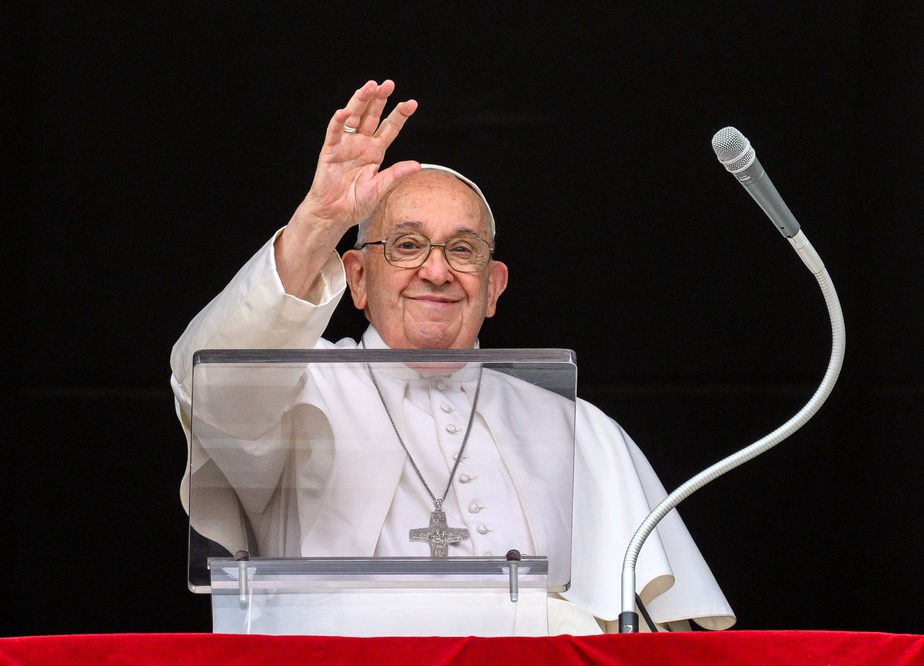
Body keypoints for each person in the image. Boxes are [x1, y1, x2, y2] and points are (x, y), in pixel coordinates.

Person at [170, 79, 735, 634]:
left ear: (493, 287)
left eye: (462, 250)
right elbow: (209, 385)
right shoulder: (292, 386)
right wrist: (318, 222)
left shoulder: (580, 430)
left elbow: (658, 639)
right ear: (358, 279)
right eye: (408, 245)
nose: (436, 272)